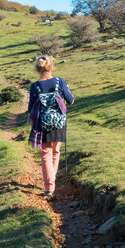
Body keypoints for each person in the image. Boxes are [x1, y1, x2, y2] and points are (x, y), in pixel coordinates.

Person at [28, 55, 74, 197]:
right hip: (59, 123)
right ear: (51, 67)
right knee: (55, 152)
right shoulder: (60, 82)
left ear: (37, 69)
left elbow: (30, 109)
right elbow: (70, 100)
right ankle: (52, 182)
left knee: (45, 155)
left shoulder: (35, 86)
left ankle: (49, 188)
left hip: (42, 125)